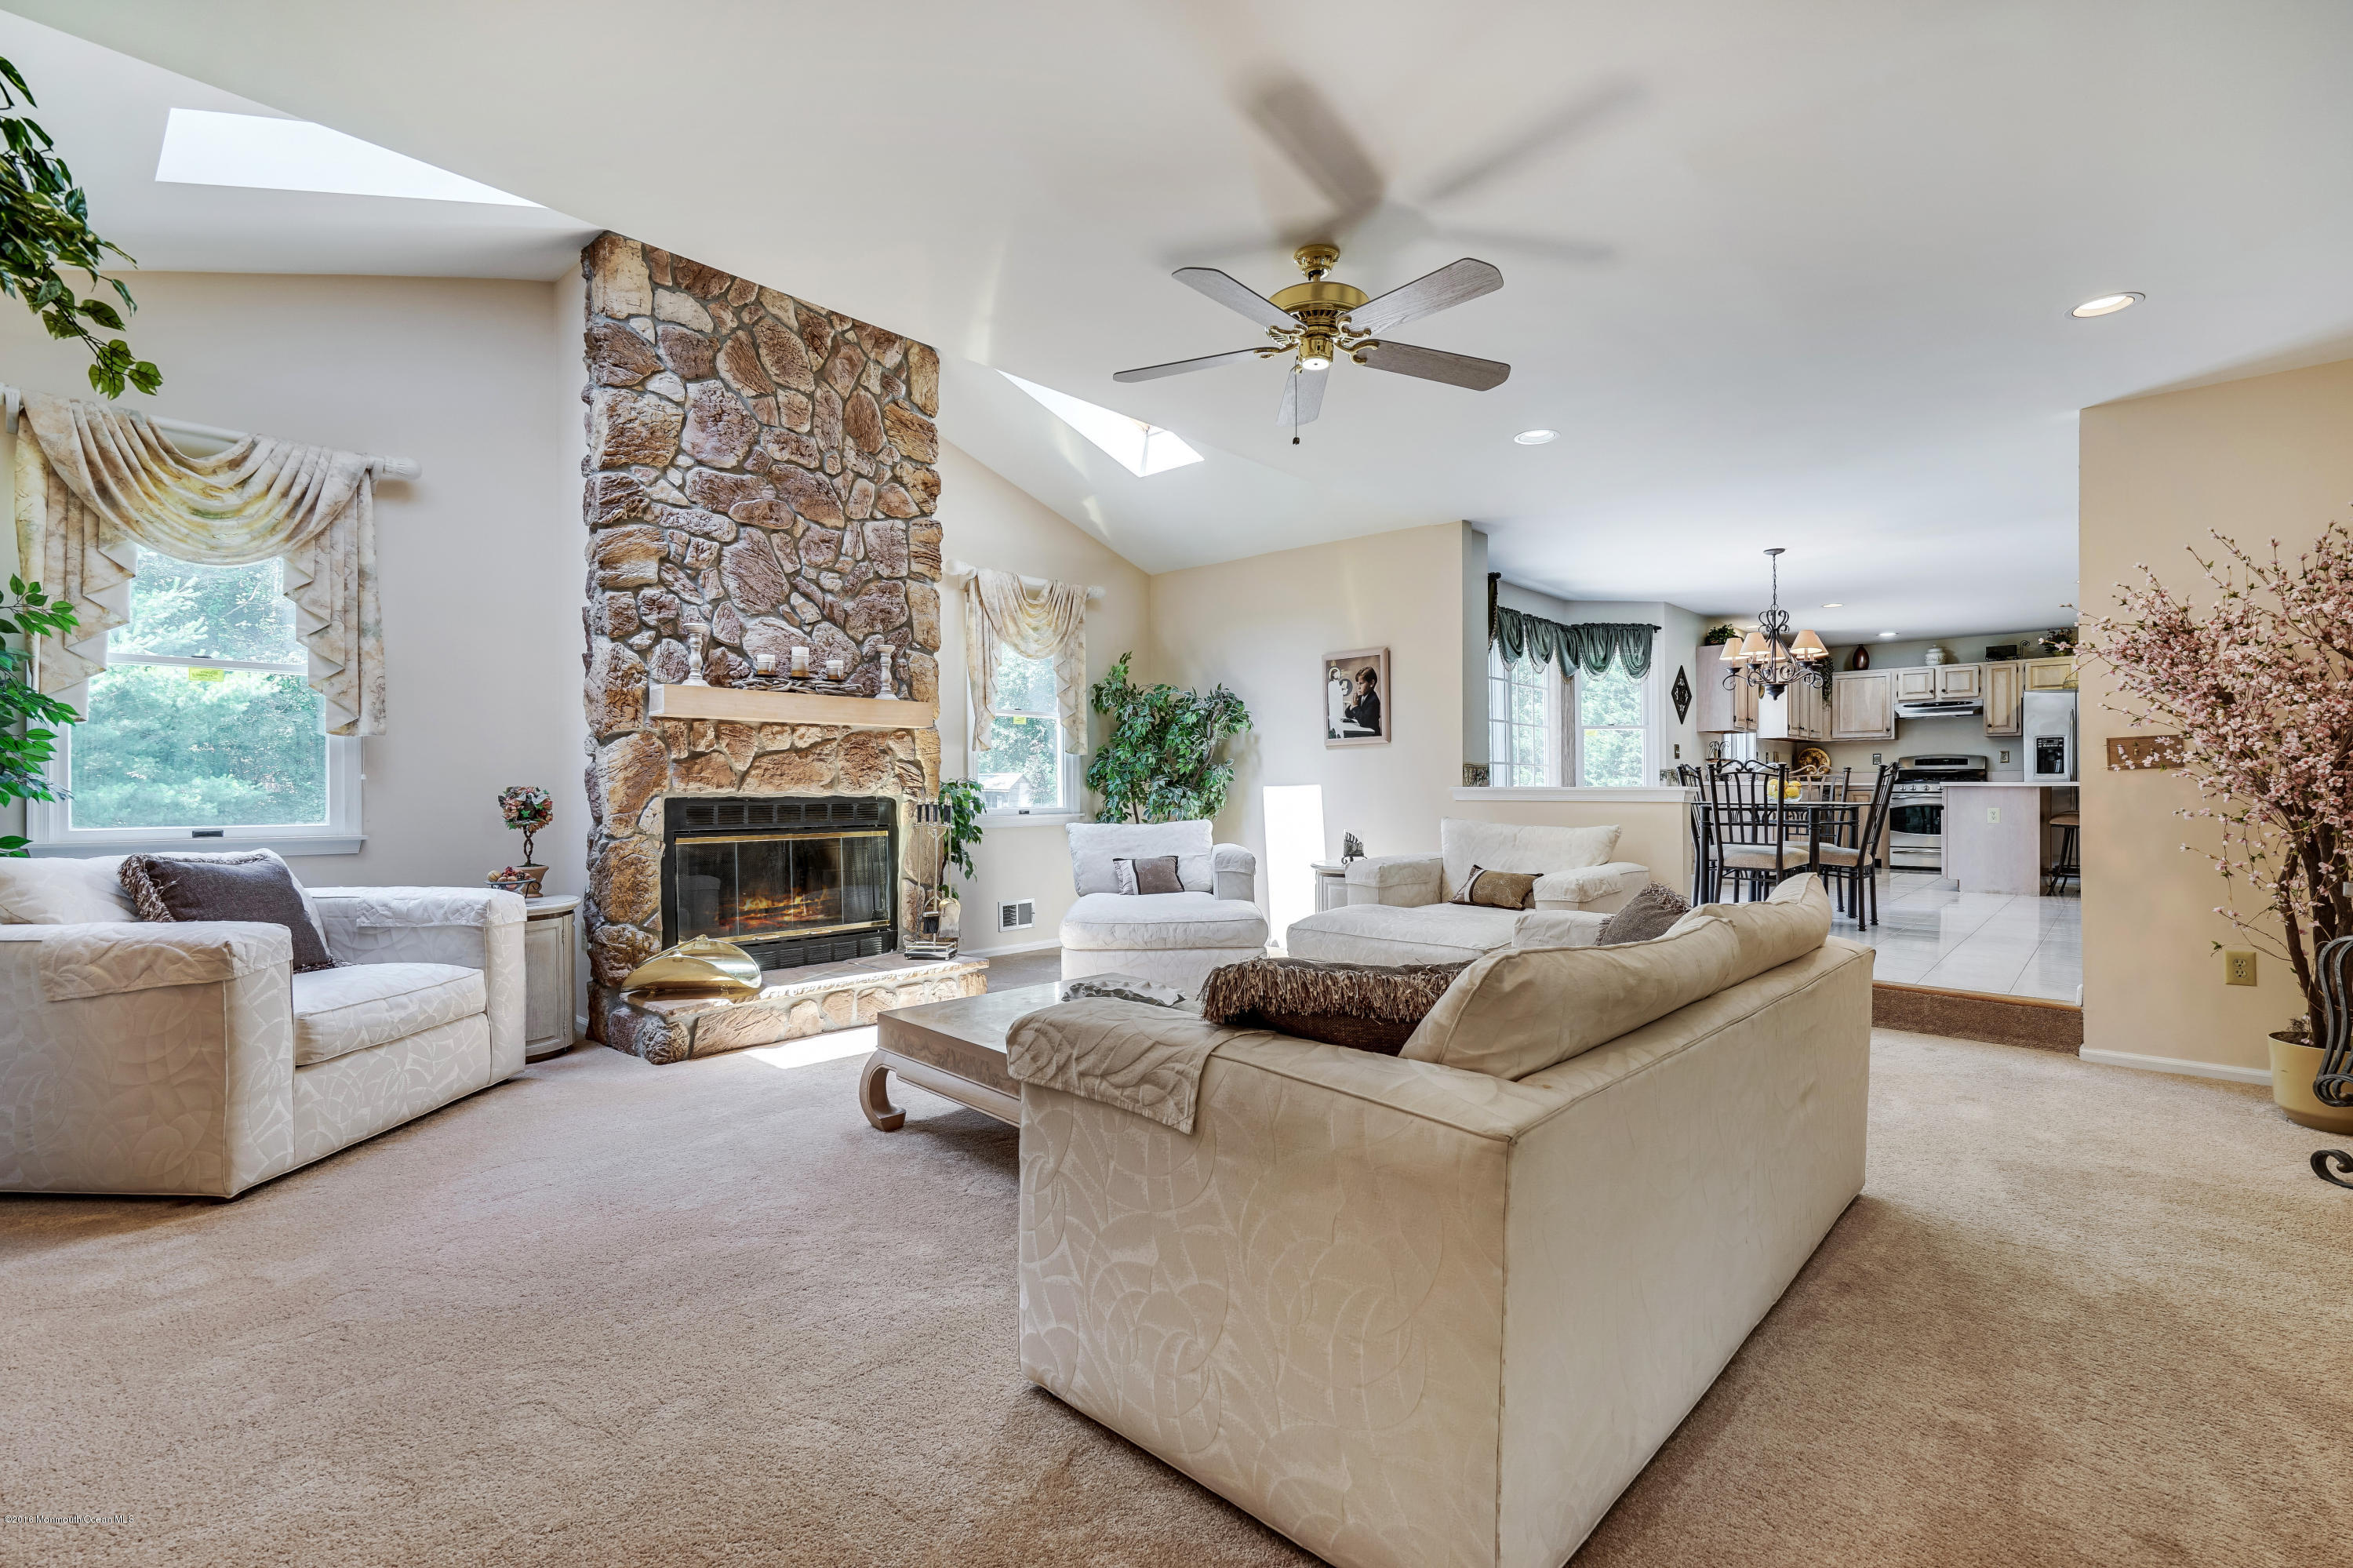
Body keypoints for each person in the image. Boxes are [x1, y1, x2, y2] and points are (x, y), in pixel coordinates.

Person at [1343, 665, 1381, 737]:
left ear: (1372, 683)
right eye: (1357, 684)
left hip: (1373, 735)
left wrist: (1355, 707)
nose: (1358, 687)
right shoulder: (1360, 698)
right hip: (1364, 733)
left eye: (1361, 683)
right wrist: (1352, 707)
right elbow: (1348, 715)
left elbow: (1364, 722)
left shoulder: (1373, 700)